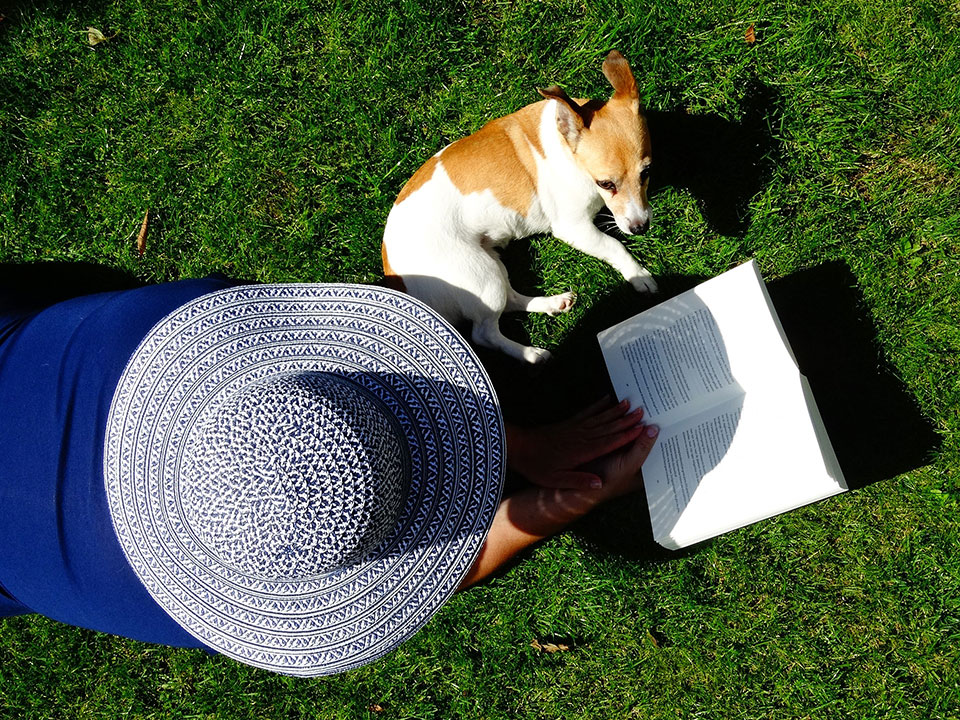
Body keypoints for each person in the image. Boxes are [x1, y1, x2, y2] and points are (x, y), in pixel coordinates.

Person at [0, 274, 657, 676]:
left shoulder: (171, 320)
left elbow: (410, 572)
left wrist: (522, 453)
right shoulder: (182, 321)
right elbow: (416, 579)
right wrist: (556, 502)